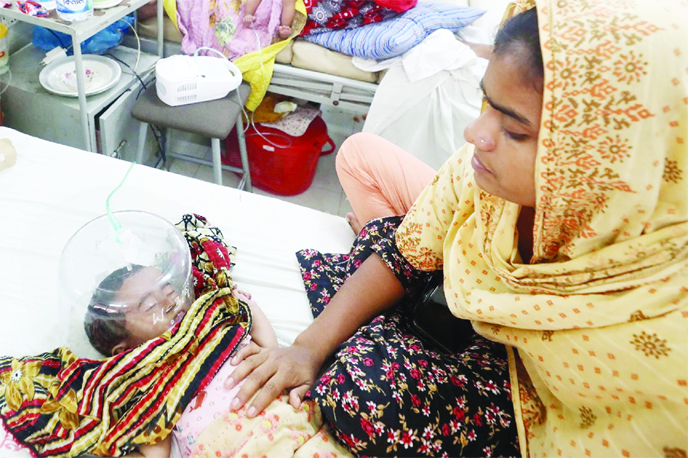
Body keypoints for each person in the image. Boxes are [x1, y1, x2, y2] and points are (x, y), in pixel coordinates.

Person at [224, 0, 688, 456]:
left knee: (360, 395)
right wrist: (306, 349)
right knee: (369, 179)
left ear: (600, 160)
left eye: (515, 131)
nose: (475, 134)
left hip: (518, 385)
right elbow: (404, 253)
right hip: (460, 309)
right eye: (487, 103)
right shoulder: (479, 175)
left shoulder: (658, 335)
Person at [84, 264, 278, 458]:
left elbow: (271, 352)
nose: (170, 302)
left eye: (169, 291)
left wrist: (246, 304)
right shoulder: (153, 391)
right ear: (126, 351)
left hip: (280, 417)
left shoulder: (216, 328)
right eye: (150, 306)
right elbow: (154, 454)